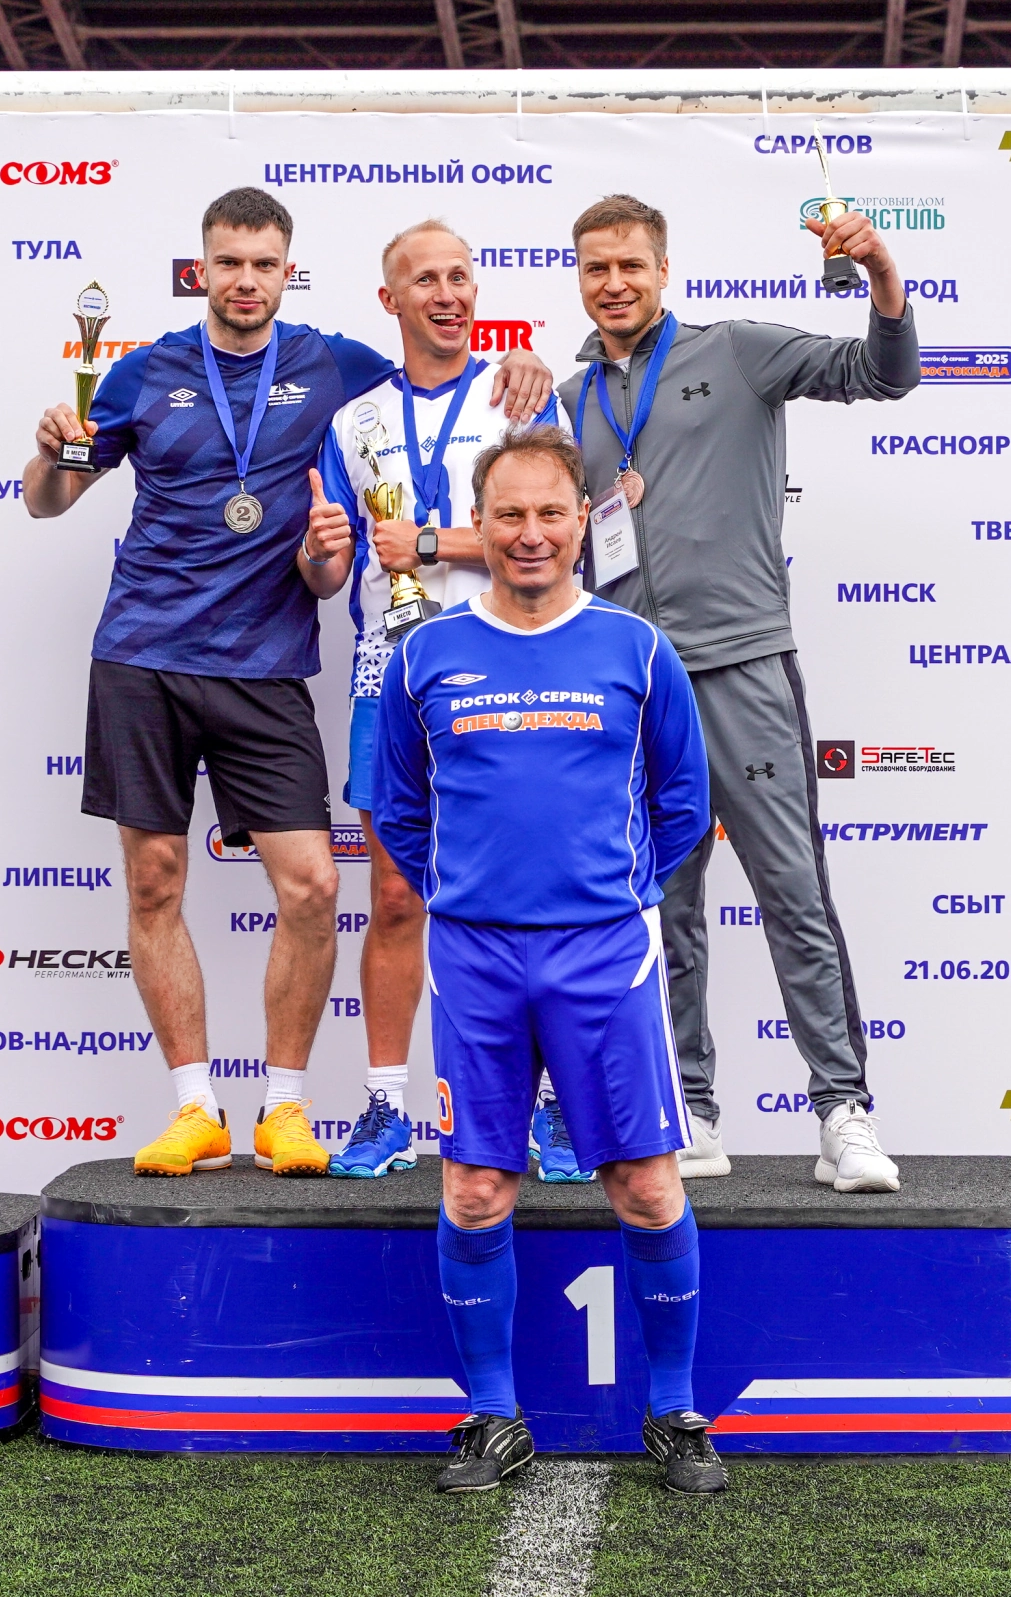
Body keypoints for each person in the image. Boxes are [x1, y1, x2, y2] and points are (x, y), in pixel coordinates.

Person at [22, 185, 550, 1179]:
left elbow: (437, 369)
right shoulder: (140, 372)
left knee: (312, 885)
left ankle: (285, 1107)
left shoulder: (333, 366)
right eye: (229, 263)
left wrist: (521, 366)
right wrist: (51, 453)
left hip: (265, 664)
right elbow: (48, 503)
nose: (246, 280)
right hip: (142, 654)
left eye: (264, 264)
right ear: (202, 269)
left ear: (286, 271)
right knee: (154, 879)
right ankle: (194, 1107)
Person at [374, 424, 724, 1495]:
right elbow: (400, 809)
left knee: (646, 1187)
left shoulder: (638, 651)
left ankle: (675, 1412)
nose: (530, 534)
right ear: (478, 527)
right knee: (477, 1188)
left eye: (550, 513)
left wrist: (605, 894)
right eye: (509, 515)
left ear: (582, 521)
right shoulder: (424, 655)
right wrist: (475, 895)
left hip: (605, 956)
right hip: (474, 959)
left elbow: (683, 805)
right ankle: (492, 1416)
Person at [558, 193, 919, 1194]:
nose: (614, 284)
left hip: (742, 666)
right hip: (634, 688)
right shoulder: (571, 398)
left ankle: (841, 1111)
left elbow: (883, 373)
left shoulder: (737, 350)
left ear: (663, 270)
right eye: (595, 268)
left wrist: (881, 271)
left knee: (792, 893)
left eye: (630, 265)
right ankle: (690, 1110)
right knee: (662, 909)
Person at [297, 219, 588, 1183]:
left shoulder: (519, 398)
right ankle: (386, 1108)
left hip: (512, 672)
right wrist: (323, 552)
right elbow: (330, 576)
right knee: (393, 896)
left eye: (460, 276)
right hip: (391, 677)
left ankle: (549, 1110)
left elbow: (554, 538)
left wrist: (428, 543)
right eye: (425, 280)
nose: (448, 294)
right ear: (392, 301)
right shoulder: (355, 420)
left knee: (531, 892)